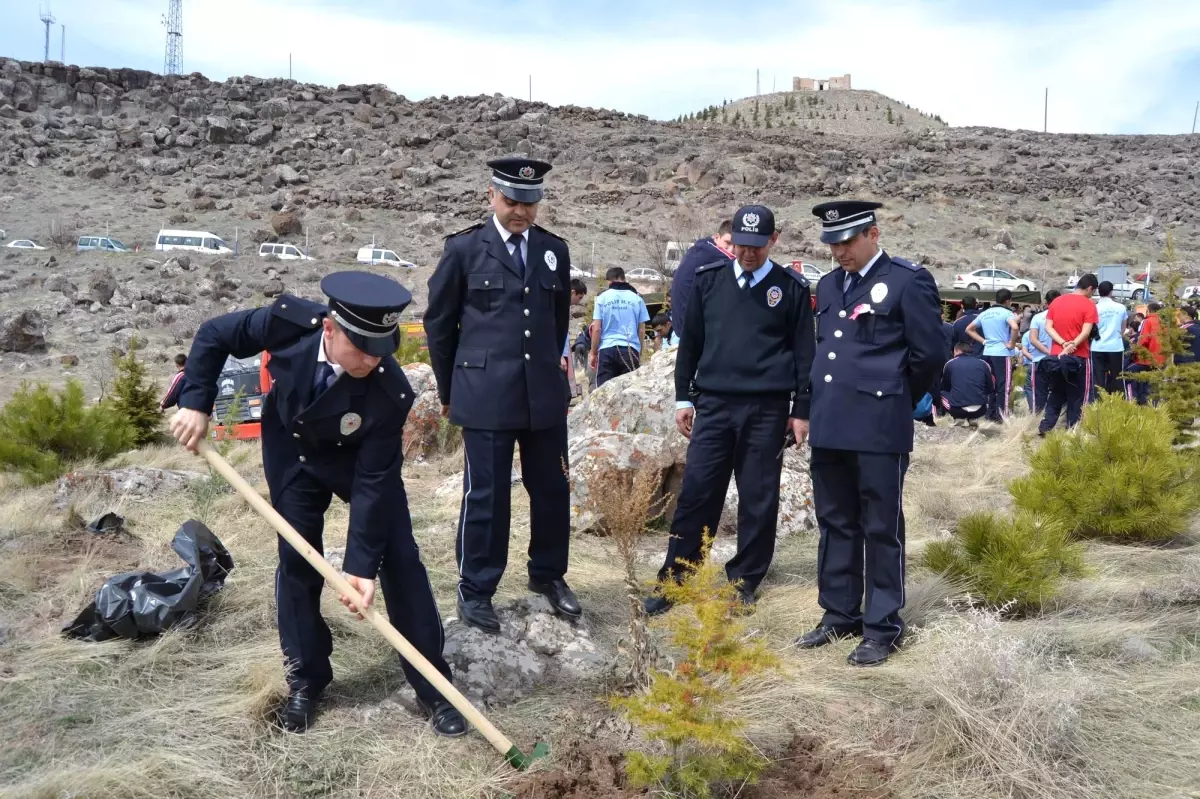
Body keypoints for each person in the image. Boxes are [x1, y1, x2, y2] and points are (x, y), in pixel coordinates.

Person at [168, 271, 466, 737]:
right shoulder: (288, 322)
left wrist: (361, 568)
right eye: (362, 346)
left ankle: (434, 686)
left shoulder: (390, 391)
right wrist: (195, 401)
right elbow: (214, 335)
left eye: (382, 347)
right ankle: (306, 680)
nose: (373, 358)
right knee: (296, 562)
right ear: (330, 328)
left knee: (400, 560)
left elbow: (374, 484)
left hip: (356, 466)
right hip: (292, 456)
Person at [423, 156, 581, 636]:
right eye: (512, 201)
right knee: (487, 495)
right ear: (491, 195)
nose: (521, 212)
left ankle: (548, 574)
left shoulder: (553, 251)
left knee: (552, 489)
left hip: (542, 396)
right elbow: (438, 324)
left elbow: (556, 321)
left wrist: (552, 369)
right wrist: (450, 391)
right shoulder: (465, 249)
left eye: (529, 203)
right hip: (485, 392)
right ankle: (476, 588)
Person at [794, 200, 945, 667]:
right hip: (831, 421)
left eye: (848, 241)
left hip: (879, 425)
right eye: (832, 243)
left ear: (873, 235)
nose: (840, 251)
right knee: (836, 521)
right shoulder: (830, 284)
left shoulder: (906, 280)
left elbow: (930, 354)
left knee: (881, 527)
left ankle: (882, 625)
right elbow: (826, 351)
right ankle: (839, 613)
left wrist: (896, 396)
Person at [644, 204, 814, 615]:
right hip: (715, 406)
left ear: (773, 241)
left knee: (759, 498)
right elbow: (692, 346)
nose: (748, 253)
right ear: (729, 240)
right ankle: (678, 579)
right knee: (698, 494)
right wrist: (683, 397)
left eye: (757, 245)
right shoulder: (709, 281)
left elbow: (805, 354)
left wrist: (801, 410)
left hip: (766, 409)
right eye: (740, 244)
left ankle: (744, 580)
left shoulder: (790, 288)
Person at [1039, 274, 1099, 435]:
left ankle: (1046, 426)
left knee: (1056, 393)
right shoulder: (1089, 305)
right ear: (1090, 289)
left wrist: (1063, 343)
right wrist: (1073, 344)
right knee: (1077, 395)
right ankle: (1072, 429)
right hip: (1078, 357)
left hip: (1056, 357)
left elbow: (1048, 327)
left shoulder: (1057, 301)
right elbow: (1086, 332)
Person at [668, 220, 734, 342]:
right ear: (717, 237)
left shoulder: (701, 247)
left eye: (735, 245)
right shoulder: (714, 254)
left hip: (681, 326)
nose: (731, 250)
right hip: (693, 330)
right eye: (728, 243)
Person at [588, 267, 650, 386]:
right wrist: (639, 351)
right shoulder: (637, 299)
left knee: (604, 393)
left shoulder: (602, 298)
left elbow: (597, 329)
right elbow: (641, 329)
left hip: (607, 349)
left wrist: (593, 353)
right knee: (629, 392)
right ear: (624, 278)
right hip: (630, 348)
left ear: (610, 281)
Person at [966, 288, 1019, 422]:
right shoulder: (1007, 313)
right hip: (1002, 352)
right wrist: (1012, 343)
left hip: (988, 351)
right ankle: (1002, 416)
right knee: (1004, 386)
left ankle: (991, 414)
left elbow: (969, 329)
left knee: (992, 385)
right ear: (1008, 301)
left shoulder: (985, 313)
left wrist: (984, 341)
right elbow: (1015, 327)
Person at [940, 340, 994, 427]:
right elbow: (990, 388)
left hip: (957, 408)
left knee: (941, 393)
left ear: (957, 351)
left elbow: (945, 387)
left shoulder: (950, 364)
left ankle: (958, 417)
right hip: (980, 409)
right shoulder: (983, 364)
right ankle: (974, 418)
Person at [1091, 281, 1129, 399]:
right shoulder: (1121, 307)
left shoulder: (1094, 308)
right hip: (1116, 347)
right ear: (1111, 292)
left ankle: (1098, 405)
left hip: (1097, 346)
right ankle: (1118, 404)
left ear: (1098, 291)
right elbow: (1123, 329)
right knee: (1117, 377)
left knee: (1098, 379)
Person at [1027, 290, 1059, 414]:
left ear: (1046, 301)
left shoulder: (1038, 317)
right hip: (1058, 359)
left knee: (1039, 393)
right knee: (1056, 392)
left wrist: (1047, 351)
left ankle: (1036, 419)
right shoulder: (1062, 316)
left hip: (1039, 360)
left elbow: (1033, 339)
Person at [1128, 302, 1165, 405]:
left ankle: (1135, 401)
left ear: (1149, 310)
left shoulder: (1147, 321)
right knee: (1153, 384)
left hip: (1146, 358)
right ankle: (1153, 405)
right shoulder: (1164, 323)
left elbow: (1143, 339)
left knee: (1129, 375)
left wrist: (1135, 351)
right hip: (1161, 359)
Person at [562, 278, 588, 398]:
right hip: (562, 352)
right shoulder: (559, 307)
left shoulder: (566, 308)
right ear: (573, 292)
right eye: (579, 297)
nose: (578, 302)